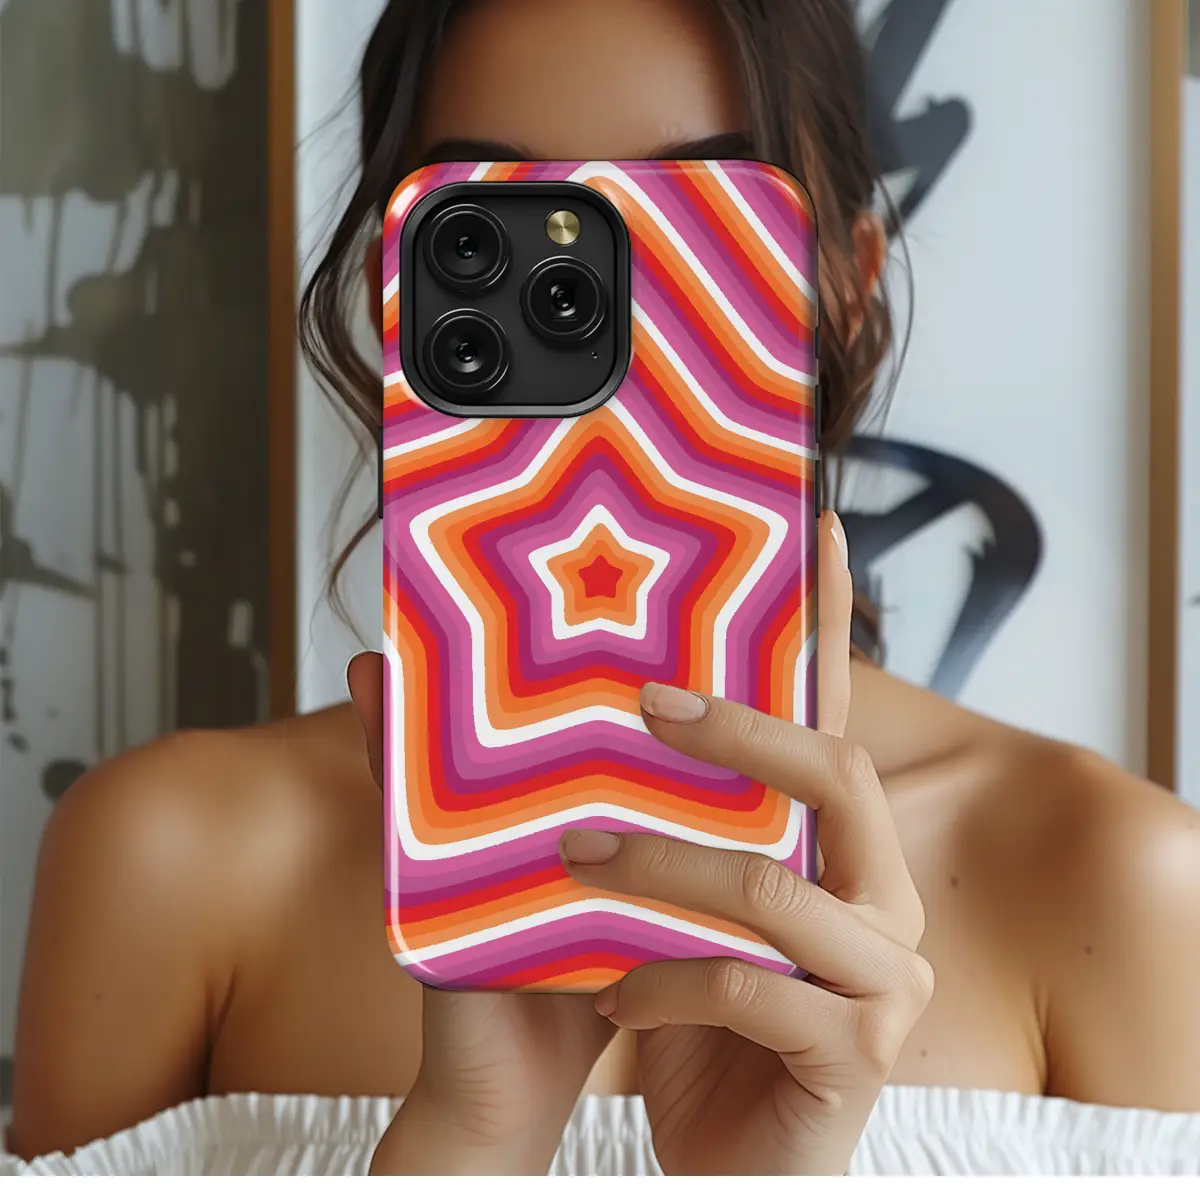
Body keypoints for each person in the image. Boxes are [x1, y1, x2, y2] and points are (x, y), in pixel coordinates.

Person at [7, 0, 1200, 1177]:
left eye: (698, 222)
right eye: (493, 226)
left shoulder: (1116, 882)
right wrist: (473, 1143)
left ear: (847, 286)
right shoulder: (169, 862)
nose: (611, 299)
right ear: (394, 291)